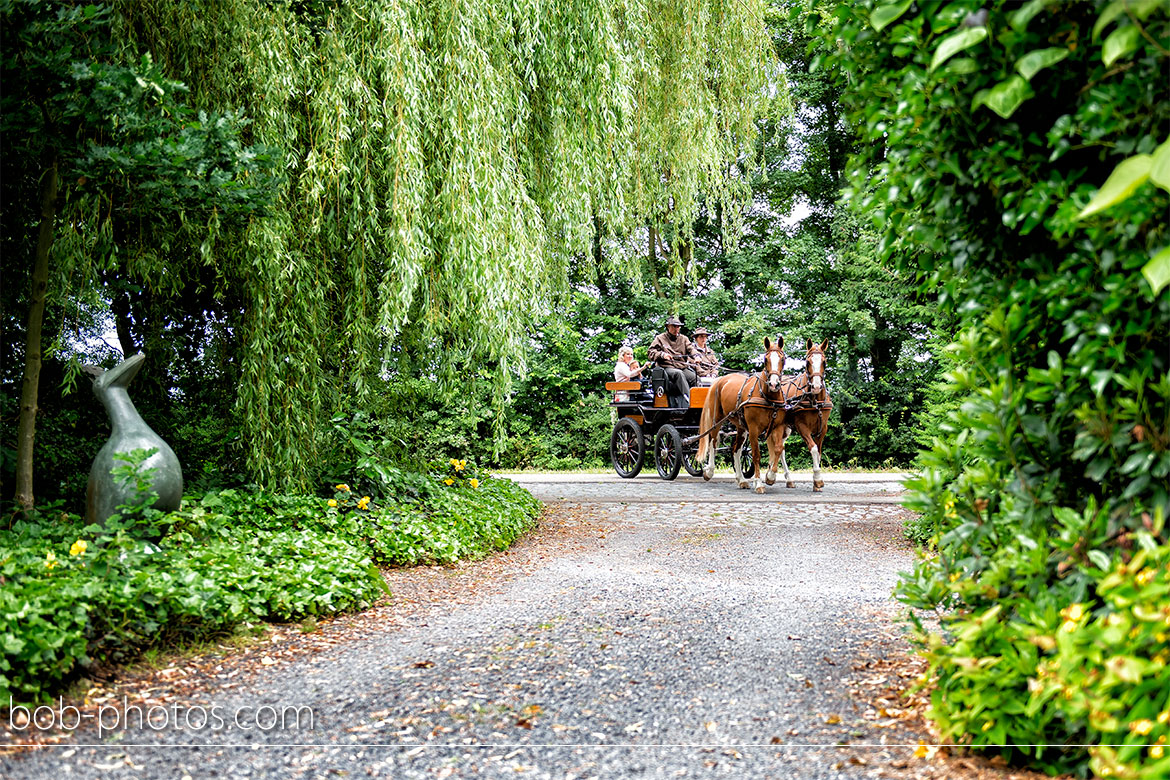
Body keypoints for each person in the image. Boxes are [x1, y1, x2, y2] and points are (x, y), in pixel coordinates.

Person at [647, 315, 698, 407]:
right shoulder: (660, 338)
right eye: (674, 326)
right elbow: (651, 352)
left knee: (694, 377)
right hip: (666, 367)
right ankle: (689, 401)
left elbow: (691, 349)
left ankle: (698, 400)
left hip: (682, 366)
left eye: (678, 326)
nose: (676, 329)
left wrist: (697, 356)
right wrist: (662, 355)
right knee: (678, 374)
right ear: (668, 327)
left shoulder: (684, 339)